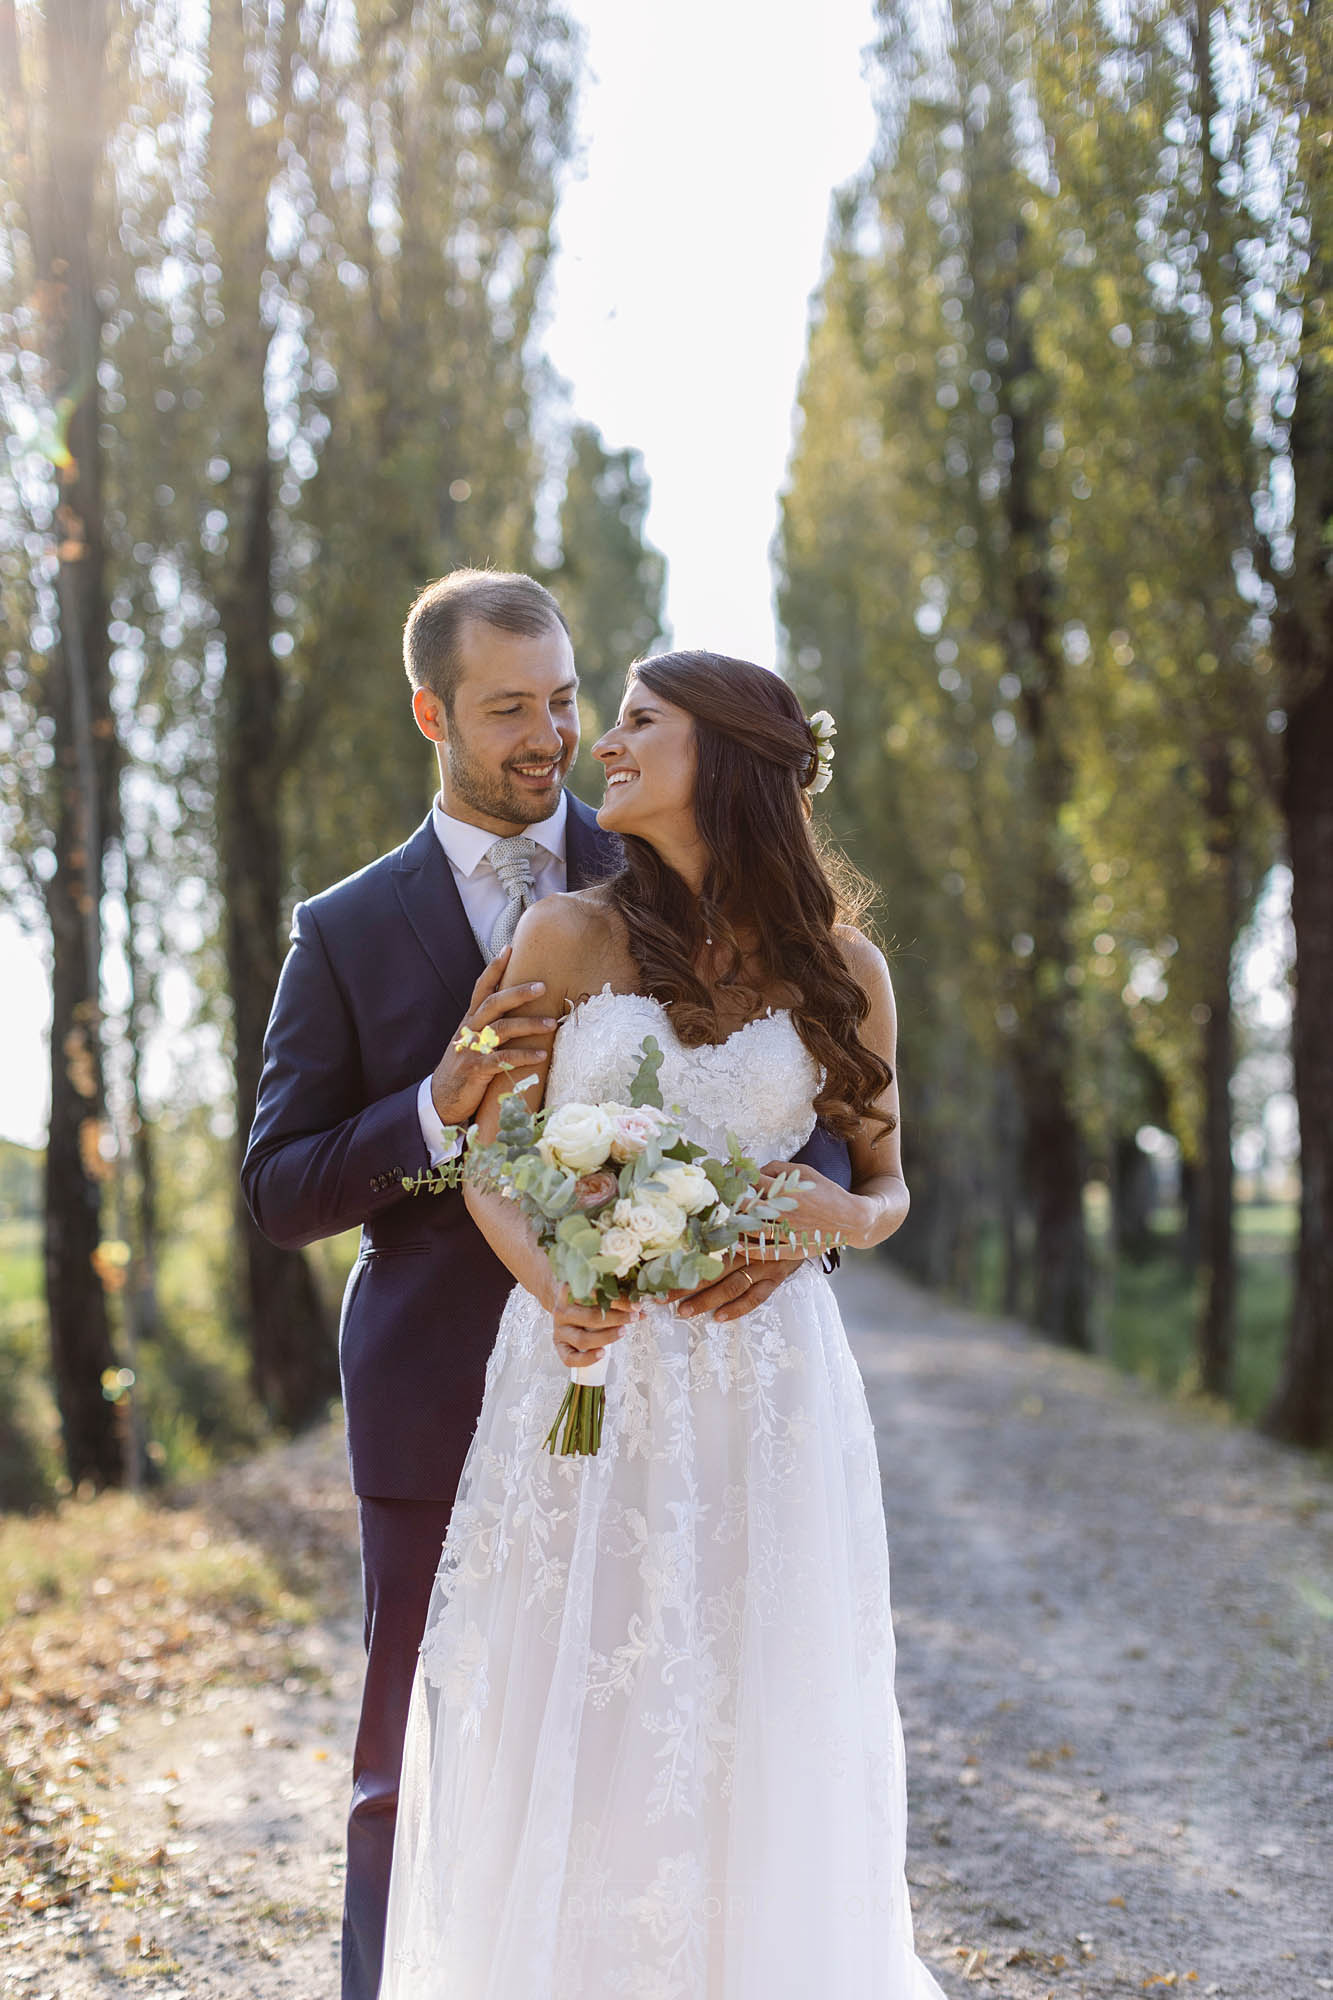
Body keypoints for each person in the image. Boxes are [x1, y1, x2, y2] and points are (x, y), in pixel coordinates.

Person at [240, 576, 850, 2000]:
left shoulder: (667, 863)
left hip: (650, 1390)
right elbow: (279, 1189)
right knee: (414, 1755)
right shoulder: (342, 931)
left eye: (567, 699)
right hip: (436, 1381)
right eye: (511, 708)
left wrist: (781, 1240)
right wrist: (433, 1108)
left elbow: (806, 1105)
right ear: (430, 715)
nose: (553, 736)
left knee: (643, 1729)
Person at [378, 651, 946, 1998]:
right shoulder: (565, 937)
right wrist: (554, 1283)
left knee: (752, 1709)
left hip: (767, 1380)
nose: (602, 743)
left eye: (638, 722)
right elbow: (491, 1162)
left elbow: (887, 1186)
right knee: (581, 1699)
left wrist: (831, 1216)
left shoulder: (844, 970)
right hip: (588, 1373)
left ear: (727, 760)